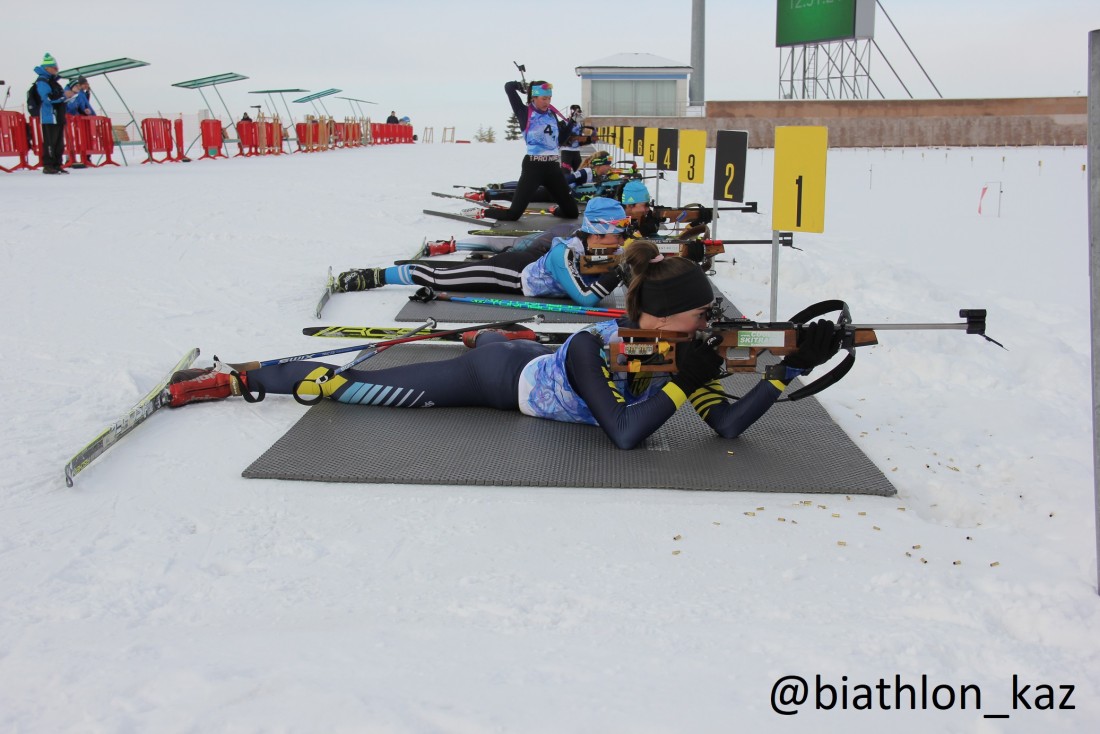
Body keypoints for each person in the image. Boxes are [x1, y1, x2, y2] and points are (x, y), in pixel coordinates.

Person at [165, 239, 840, 450]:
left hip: (523, 357)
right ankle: (241, 377)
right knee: (363, 388)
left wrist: (788, 369)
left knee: (494, 341)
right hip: (497, 381)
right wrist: (682, 379)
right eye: (702, 313)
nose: (711, 322)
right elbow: (628, 432)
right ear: (661, 320)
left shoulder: (681, 355)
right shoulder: (590, 347)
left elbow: (723, 426)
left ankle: (495, 331)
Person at [335, 197, 629, 307]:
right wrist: (620, 272)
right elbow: (584, 299)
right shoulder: (564, 253)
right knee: (438, 278)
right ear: (598, 229)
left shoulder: (595, 248)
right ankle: (374, 275)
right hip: (508, 274)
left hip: (523, 264)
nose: (619, 240)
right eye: (617, 233)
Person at [483, 79, 578, 222]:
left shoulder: (551, 115)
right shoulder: (524, 112)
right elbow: (508, 87)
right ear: (534, 97)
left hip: (553, 168)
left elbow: (558, 142)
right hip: (533, 168)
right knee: (513, 215)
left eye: (549, 98)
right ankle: (483, 212)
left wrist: (571, 123)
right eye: (543, 98)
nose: (547, 102)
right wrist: (521, 86)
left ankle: (555, 210)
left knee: (572, 213)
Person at [32, 53, 74, 175]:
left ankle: (57, 164)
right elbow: (46, 98)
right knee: (50, 141)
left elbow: (58, 97)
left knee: (59, 142)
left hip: (58, 116)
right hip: (49, 116)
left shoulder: (53, 81)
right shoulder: (43, 81)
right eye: (55, 68)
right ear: (47, 68)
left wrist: (67, 97)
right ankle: (48, 165)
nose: (57, 70)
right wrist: (63, 96)